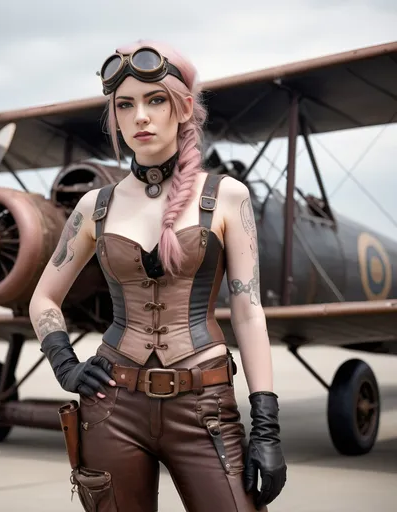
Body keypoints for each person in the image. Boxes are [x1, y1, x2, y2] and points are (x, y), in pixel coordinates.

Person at [29, 40, 287, 512]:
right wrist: (65, 366)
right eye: (124, 105)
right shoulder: (95, 207)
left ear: (184, 107)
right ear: (115, 118)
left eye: (155, 100)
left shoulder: (227, 197)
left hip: (204, 406)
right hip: (111, 407)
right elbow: (44, 299)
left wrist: (266, 422)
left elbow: (248, 314)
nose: (140, 117)